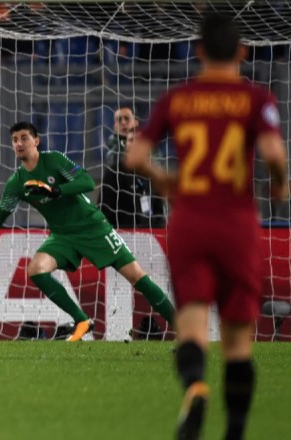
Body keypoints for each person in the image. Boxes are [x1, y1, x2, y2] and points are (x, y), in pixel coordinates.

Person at [125, 13, 289, 440]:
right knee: (237, 343)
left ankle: (196, 386)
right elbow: (274, 153)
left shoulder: (178, 98)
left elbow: (135, 157)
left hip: (190, 222)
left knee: (193, 325)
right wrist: (279, 183)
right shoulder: (255, 98)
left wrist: (165, 180)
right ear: (242, 52)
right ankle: (234, 431)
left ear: (198, 51)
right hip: (237, 224)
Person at [0, 121, 176, 342]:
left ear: (36, 141)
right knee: (36, 270)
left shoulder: (54, 160)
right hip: (62, 235)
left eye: (24, 138)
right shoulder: (16, 183)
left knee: (136, 276)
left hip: (92, 227)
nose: (19, 143)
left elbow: (87, 182)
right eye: (15, 140)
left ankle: (182, 328)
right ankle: (82, 320)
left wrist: (56, 190)